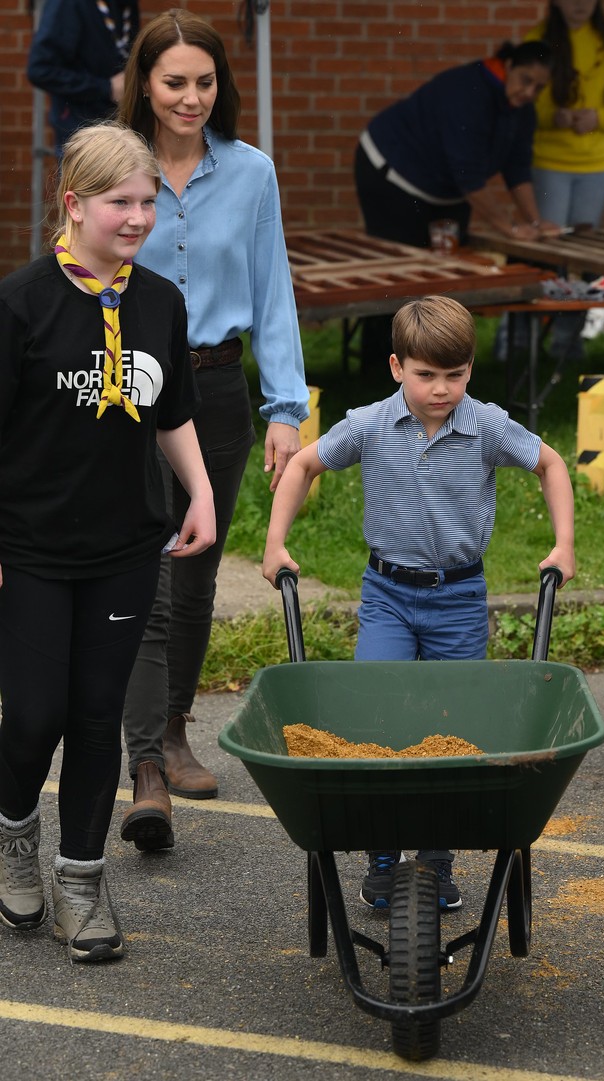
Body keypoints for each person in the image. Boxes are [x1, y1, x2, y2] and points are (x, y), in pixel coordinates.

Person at [262, 295, 575, 911]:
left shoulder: (485, 425)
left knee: (451, 725)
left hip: (458, 596)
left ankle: (436, 858)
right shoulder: (371, 423)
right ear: (396, 366)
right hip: (387, 595)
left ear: (469, 371)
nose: (441, 389)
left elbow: (550, 463)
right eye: (426, 374)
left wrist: (563, 544)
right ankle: (382, 853)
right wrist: (275, 543)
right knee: (378, 717)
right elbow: (301, 465)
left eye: (454, 376)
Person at [0, 122, 216, 961]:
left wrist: (197, 491)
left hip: (127, 544)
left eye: (148, 201)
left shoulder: (160, 301)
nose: (136, 217)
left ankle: (82, 880)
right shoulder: (20, 304)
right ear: (74, 203)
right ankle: (17, 835)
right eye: (119, 202)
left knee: (97, 718)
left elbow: (171, 412)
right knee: (35, 717)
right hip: (32, 548)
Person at [116, 8, 310, 852]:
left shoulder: (252, 172)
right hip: (130, 394)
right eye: (173, 82)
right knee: (151, 580)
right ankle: (145, 767)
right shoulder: (113, 165)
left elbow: (273, 290)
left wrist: (287, 406)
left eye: (205, 82)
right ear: (143, 86)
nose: (192, 97)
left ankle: (177, 728)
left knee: (196, 579)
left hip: (221, 389)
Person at [354, 40, 561, 368]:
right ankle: (379, 367)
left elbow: (518, 167)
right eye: (526, 80)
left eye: (540, 88)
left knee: (450, 268)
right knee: (398, 275)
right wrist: (509, 228)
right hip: (390, 172)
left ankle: (439, 361)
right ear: (507, 66)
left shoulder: (523, 111)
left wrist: (534, 223)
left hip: (445, 188)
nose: (530, 93)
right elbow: (469, 176)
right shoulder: (469, 93)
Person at [525, 0, 604, 358]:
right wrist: (553, 116)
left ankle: (566, 344)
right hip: (550, 161)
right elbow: (525, 98)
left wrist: (600, 118)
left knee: (581, 258)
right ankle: (517, 343)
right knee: (542, 256)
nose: (579, 4)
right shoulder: (539, 38)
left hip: (597, 165)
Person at [27, 0, 140, 157]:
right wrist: (106, 88)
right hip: (80, 130)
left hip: (118, 124)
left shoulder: (126, 5)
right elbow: (40, 69)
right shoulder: (67, 4)